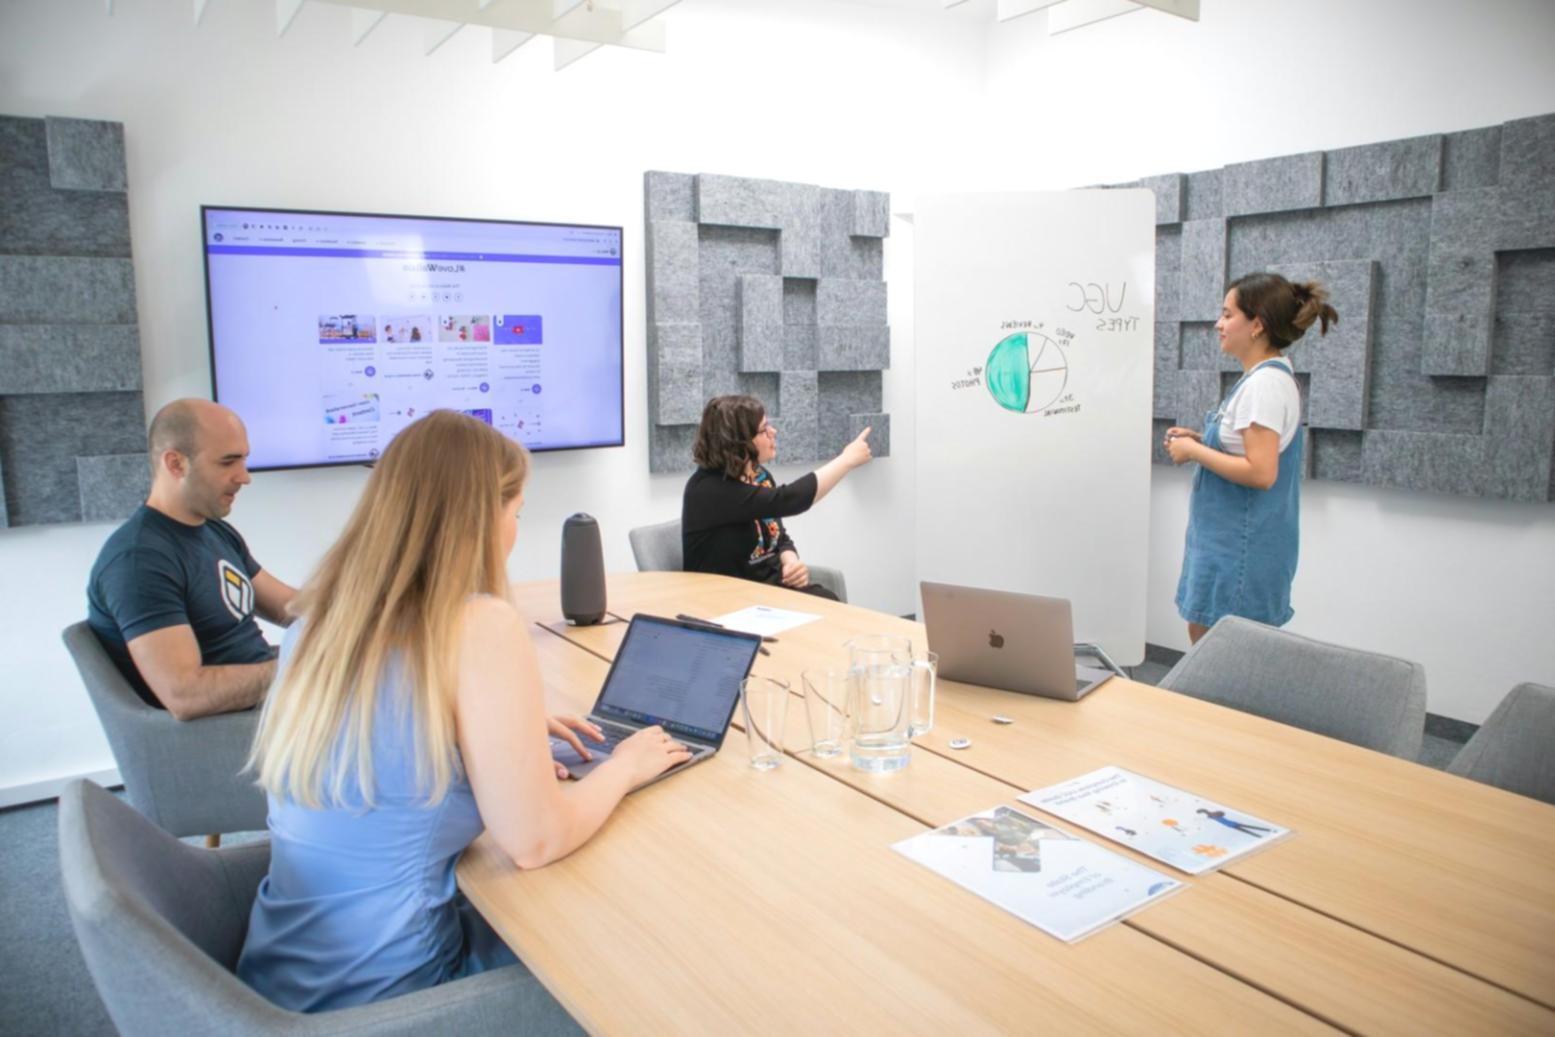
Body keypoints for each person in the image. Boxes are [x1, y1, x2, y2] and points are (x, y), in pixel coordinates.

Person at [239, 410, 687, 1014]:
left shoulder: (319, 623)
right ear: (480, 518)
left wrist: (501, 739)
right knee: (640, 948)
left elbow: (393, 746)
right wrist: (626, 765)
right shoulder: (478, 625)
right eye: (516, 512)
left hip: (281, 973)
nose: (514, 531)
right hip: (393, 996)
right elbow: (535, 841)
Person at [86, 399, 296, 719]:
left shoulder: (215, 531)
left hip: (271, 708)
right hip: (232, 732)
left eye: (244, 460)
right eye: (228, 462)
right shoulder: (139, 562)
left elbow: (287, 607)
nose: (244, 477)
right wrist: (301, 670)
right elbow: (185, 694)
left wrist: (373, 613)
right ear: (176, 464)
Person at [1167, 272, 1339, 644]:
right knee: (1210, 648)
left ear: (1257, 324)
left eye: (1227, 315)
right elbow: (1249, 450)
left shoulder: (1265, 386)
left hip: (1239, 552)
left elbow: (1261, 472)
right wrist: (1202, 440)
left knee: (1220, 660)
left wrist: (1194, 451)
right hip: (1229, 546)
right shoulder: (1263, 380)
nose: (1218, 324)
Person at [681, 394, 872, 598]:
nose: (773, 432)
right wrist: (845, 461)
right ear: (740, 441)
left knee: (828, 601)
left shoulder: (758, 476)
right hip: (726, 598)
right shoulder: (709, 490)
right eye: (764, 430)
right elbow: (788, 500)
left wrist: (790, 561)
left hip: (765, 588)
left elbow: (778, 535)